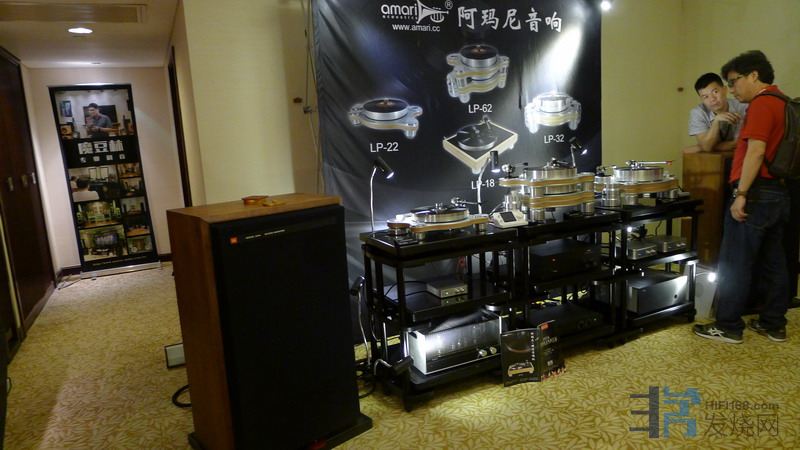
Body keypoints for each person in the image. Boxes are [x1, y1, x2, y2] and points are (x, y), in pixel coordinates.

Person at [694, 50, 791, 344]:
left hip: (756, 192)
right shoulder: (784, 102)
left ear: (754, 76)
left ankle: (728, 326)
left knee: (735, 261)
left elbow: (756, 151)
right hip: (779, 191)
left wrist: (741, 194)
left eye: (734, 81)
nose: (732, 89)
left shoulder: (762, 104)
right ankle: (774, 323)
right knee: (774, 261)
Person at [685, 73, 748, 153]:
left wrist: (700, 147)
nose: (712, 99)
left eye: (715, 92)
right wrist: (716, 121)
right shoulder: (698, 113)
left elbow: (744, 143)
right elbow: (706, 147)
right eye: (705, 97)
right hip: (715, 159)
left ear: (725, 90)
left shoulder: (743, 107)